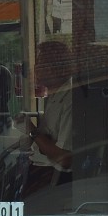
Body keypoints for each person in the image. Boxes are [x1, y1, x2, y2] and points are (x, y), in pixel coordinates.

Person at [23, 40, 74, 191]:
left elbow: (65, 159)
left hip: (53, 178)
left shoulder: (70, 99)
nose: (36, 70)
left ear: (56, 68)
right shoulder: (53, 97)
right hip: (39, 169)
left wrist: (31, 131)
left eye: (41, 65)